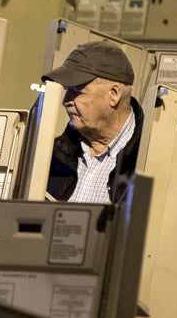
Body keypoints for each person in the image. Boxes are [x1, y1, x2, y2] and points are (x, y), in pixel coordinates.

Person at [42, 40, 144, 204]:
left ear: (114, 94)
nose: (66, 101)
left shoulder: (148, 162)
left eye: (76, 91)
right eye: (67, 90)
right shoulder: (52, 156)